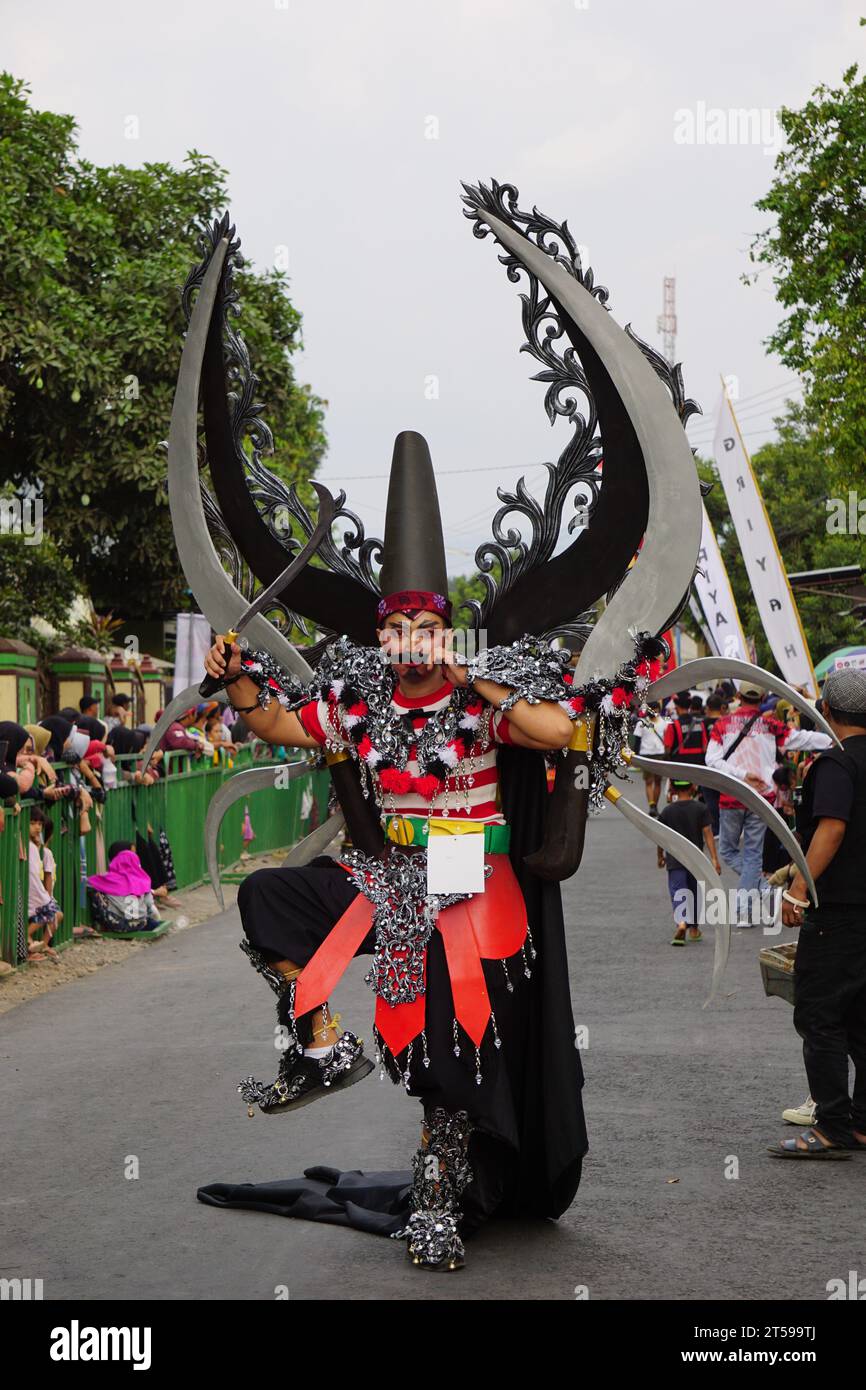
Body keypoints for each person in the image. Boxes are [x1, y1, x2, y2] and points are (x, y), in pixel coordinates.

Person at [769, 669, 866, 1159]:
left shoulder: (836, 764)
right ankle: (863, 1123)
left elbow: (831, 829)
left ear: (826, 712)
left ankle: (831, 1126)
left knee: (820, 1014)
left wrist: (799, 890)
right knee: (863, 1019)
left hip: (840, 912)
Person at [706, 682, 831, 926]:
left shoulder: (722, 725)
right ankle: (760, 885)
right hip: (762, 798)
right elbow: (800, 739)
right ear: (762, 697)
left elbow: (712, 760)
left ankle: (745, 907)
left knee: (728, 851)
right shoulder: (771, 724)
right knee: (753, 854)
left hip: (732, 796)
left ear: (739, 696)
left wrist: (741, 775)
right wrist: (832, 739)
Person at [657, 780, 721, 945]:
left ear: (672, 788)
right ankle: (693, 930)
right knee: (694, 893)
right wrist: (714, 859)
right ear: (693, 787)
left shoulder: (667, 811)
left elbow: (660, 836)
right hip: (696, 860)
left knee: (678, 891)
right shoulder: (701, 808)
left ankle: (681, 922)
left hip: (675, 859)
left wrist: (660, 855)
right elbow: (708, 834)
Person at [86, 841, 163, 933]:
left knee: (96, 892)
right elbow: (149, 904)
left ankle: (99, 925)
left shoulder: (106, 880)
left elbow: (87, 883)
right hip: (140, 924)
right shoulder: (142, 880)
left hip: (115, 924)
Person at [27, 806, 62, 962]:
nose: (37, 827)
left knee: (53, 913)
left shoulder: (37, 848)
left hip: (37, 891)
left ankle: (36, 943)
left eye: (40, 824)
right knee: (50, 912)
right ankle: (27, 938)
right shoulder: (28, 846)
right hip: (32, 891)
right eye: (33, 823)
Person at [632, 701, 668, 816]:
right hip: (646, 754)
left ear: (659, 709)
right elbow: (637, 741)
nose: (654, 711)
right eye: (652, 709)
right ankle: (652, 805)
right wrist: (635, 757)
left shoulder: (665, 722)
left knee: (657, 781)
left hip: (660, 753)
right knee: (649, 781)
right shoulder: (641, 722)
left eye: (656, 709)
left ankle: (654, 806)